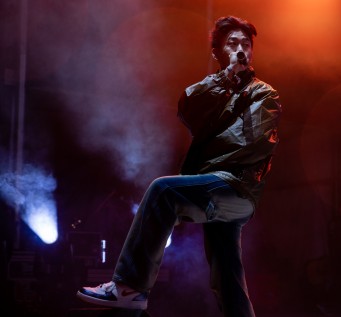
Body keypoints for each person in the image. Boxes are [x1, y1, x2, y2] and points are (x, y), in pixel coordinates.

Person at [76, 16, 282, 317]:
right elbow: (186, 107)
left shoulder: (264, 93)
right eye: (232, 43)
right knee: (227, 270)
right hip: (217, 183)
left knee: (163, 191)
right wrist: (225, 79)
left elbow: (252, 145)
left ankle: (129, 287)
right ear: (218, 53)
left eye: (246, 45)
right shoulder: (218, 88)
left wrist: (227, 106)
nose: (241, 50)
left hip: (236, 185)